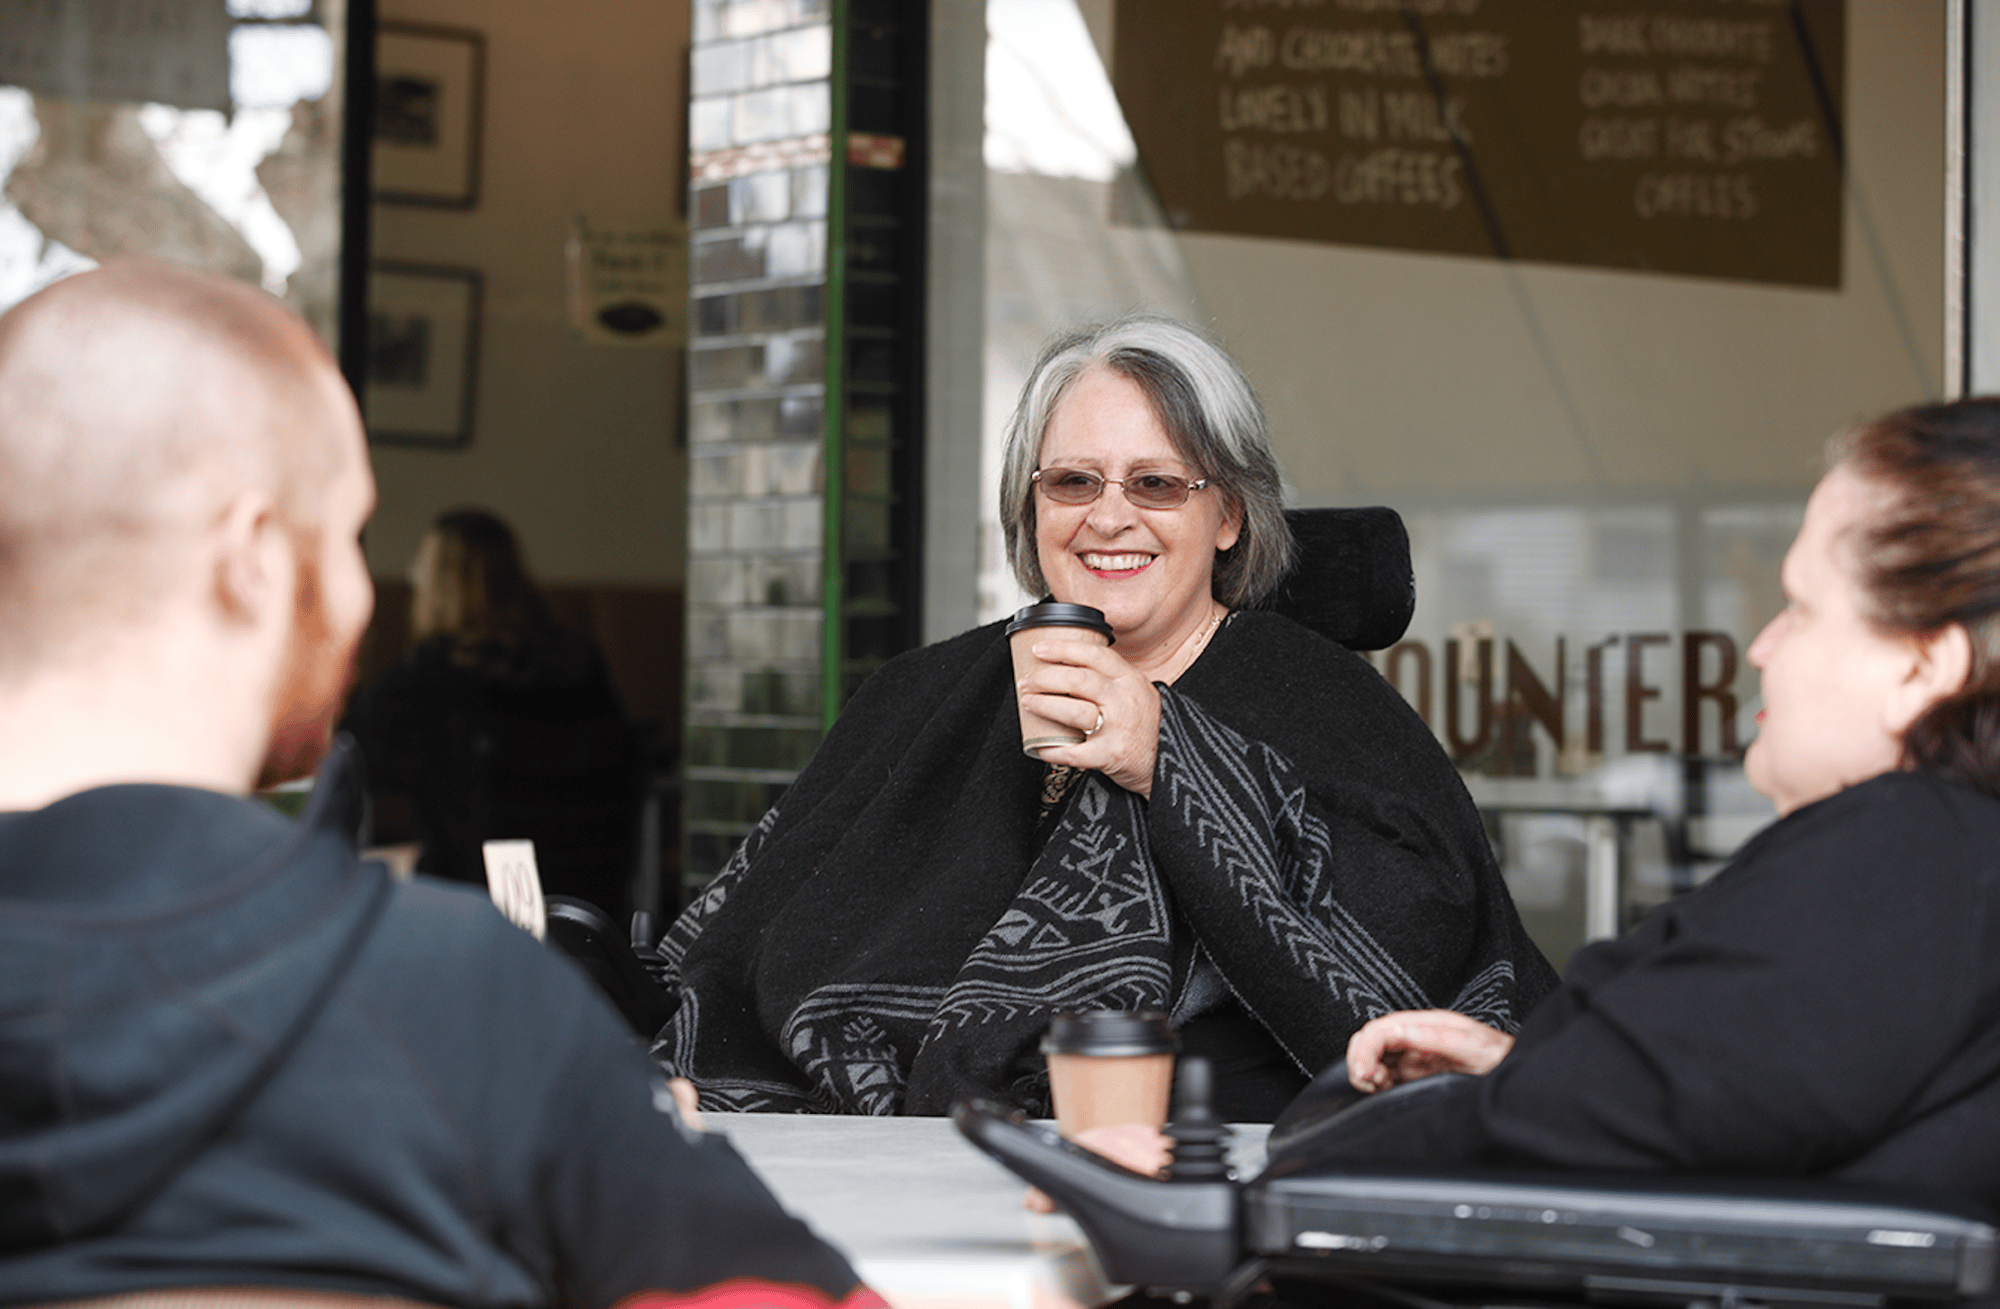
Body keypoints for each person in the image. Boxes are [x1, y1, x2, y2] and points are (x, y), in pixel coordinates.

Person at [0, 260, 874, 1308]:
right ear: (256, 561)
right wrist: (621, 1139)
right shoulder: (473, 1008)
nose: (364, 593)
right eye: (348, 534)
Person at [1098, 398, 2000, 1211]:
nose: (1762, 645)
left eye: (1801, 609)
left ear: (1927, 663)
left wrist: (1232, 1188)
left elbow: (1564, 1137)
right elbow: (1716, 1101)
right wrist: (1540, 1071)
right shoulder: (1948, 870)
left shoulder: (1908, 855)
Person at [653, 315, 1557, 1121]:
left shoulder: (1320, 698)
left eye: (1157, 484)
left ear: (1231, 515)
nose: (1109, 518)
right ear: (1032, 503)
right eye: (1074, 482)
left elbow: (1417, 953)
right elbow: (754, 943)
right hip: (885, 1154)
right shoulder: (927, 692)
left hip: (1194, 1158)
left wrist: (1173, 760)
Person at [345, 507, 643, 917]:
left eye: (422, 564)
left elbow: (354, 761)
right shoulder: (580, 666)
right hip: (587, 909)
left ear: (442, 584)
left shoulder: (426, 684)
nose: (413, 573)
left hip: (473, 910)